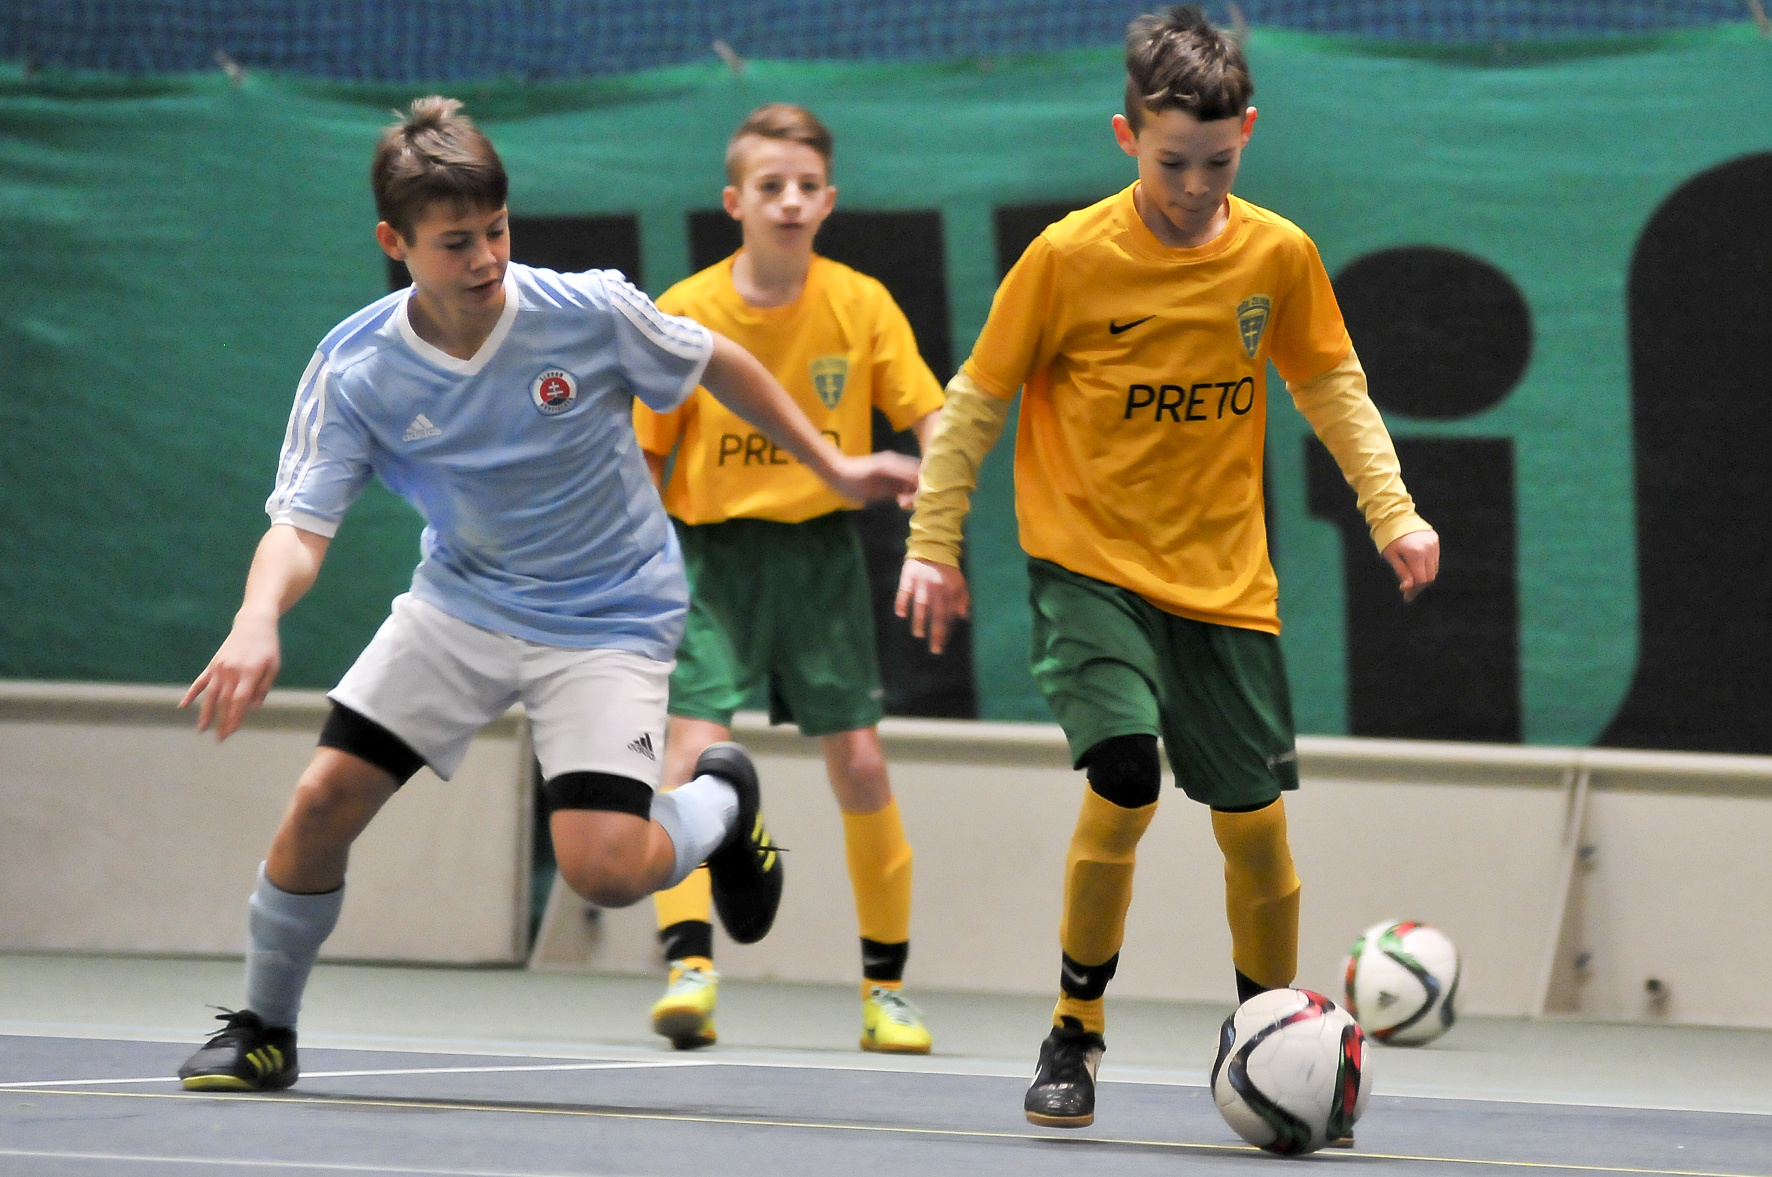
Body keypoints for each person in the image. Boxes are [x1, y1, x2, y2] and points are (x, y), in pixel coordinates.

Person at [174, 95, 918, 1092]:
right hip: (462, 604)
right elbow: (301, 527)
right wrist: (255, 618)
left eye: (496, 230)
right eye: (454, 243)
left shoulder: (586, 311)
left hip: (612, 613)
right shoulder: (356, 368)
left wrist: (833, 466)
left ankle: (720, 804)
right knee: (321, 801)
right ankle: (265, 1026)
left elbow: (717, 362)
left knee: (604, 869)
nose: (485, 258)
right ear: (395, 244)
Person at [895, 6, 1440, 1131]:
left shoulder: (1277, 255)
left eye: (1217, 162)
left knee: (1255, 829)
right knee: (1125, 775)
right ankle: (1073, 1029)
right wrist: (931, 543)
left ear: (1248, 133)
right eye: (1170, 162)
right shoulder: (1067, 258)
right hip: (1088, 567)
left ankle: (1271, 1036)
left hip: (1226, 584)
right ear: (1125, 137)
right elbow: (976, 402)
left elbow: (1331, 387)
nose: (1194, 186)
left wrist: (1393, 511)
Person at [632, 104, 944, 1055]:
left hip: (820, 561)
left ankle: (886, 992)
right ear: (735, 202)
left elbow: (935, 423)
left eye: (807, 186)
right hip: (710, 560)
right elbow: (644, 459)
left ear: (830, 200)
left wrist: (938, 536)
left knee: (862, 763)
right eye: (771, 186)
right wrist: (637, 575)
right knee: (689, 752)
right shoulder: (684, 311)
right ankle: (690, 971)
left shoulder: (860, 304)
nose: (791, 201)